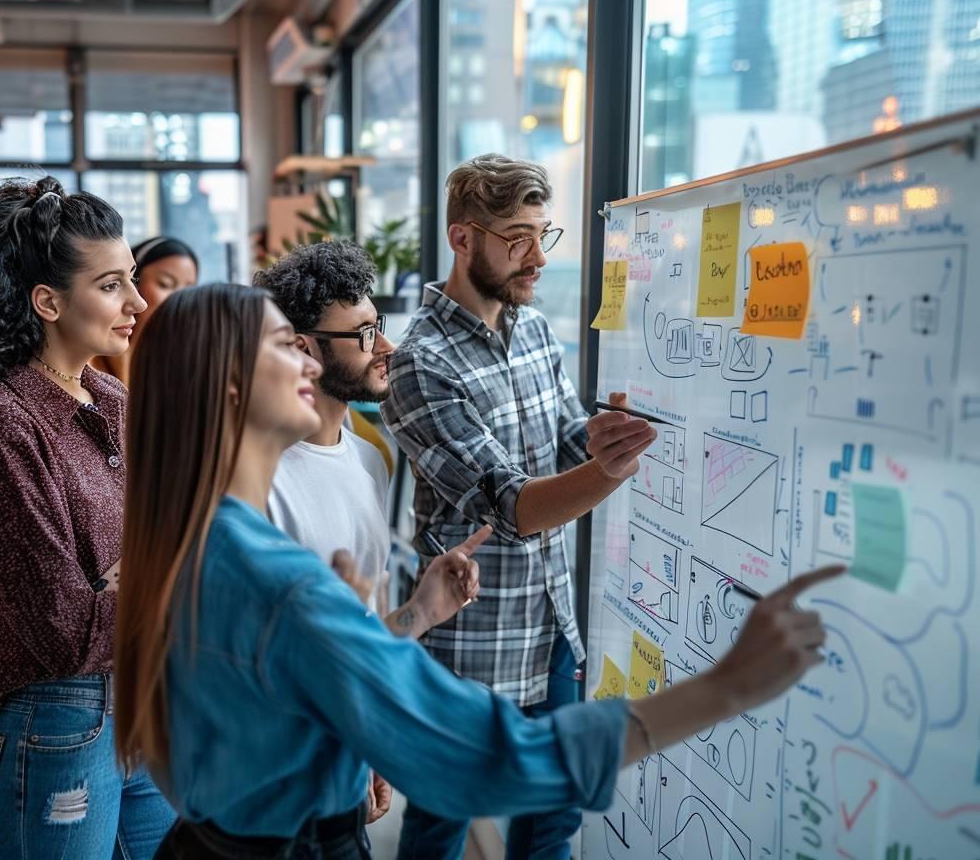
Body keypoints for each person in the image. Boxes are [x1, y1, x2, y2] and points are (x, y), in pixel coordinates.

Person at [112, 283, 841, 859]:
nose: (309, 361)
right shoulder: (282, 584)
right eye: (285, 345)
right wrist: (729, 684)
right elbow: (485, 759)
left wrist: (411, 619)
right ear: (229, 384)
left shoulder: (193, 542)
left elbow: (289, 693)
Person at [380, 155, 653, 859]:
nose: (537, 257)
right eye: (516, 237)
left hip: (552, 623)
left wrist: (592, 438)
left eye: (542, 233)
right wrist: (610, 471)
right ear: (463, 238)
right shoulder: (422, 363)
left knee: (555, 818)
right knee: (443, 823)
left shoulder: (530, 327)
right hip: (472, 645)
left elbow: (559, 438)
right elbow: (512, 506)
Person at [0, 175, 174, 859]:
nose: (138, 302)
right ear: (48, 302)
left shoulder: (108, 394)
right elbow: (65, 631)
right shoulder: (3, 428)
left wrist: (128, 575)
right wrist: (163, 571)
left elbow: (155, 548)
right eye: (113, 284)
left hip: (137, 708)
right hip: (59, 723)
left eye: (133, 280)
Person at [255, 242, 485, 825]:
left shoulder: (372, 457)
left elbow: (363, 624)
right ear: (304, 349)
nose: (384, 347)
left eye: (378, 326)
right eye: (361, 335)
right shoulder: (259, 479)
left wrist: (371, 737)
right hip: (282, 771)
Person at [91, 236, 199, 384]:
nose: (179, 299)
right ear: (133, 282)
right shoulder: (93, 352)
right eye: (165, 284)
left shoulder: (185, 360)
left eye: (188, 291)